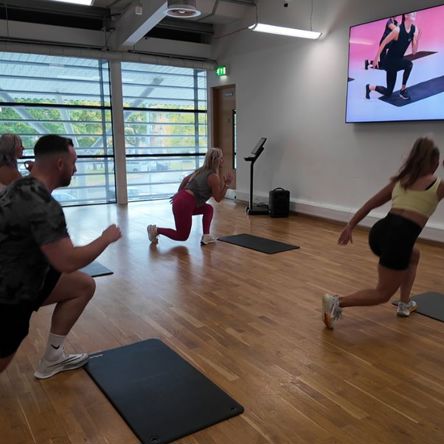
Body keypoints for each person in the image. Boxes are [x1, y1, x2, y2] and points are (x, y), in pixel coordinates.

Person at [0, 135, 122, 378]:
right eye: (73, 162)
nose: (75, 169)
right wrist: (106, 237)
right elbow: (68, 261)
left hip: (28, 278)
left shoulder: (21, 186)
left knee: (83, 285)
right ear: (59, 164)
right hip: (10, 296)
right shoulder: (43, 204)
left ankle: (53, 358)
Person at [322, 136, 444, 329]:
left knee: (414, 254)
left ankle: (404, 304)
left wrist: (350, 225)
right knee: (382, 294)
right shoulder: (438, 185)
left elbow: (371, 203)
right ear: (436, 163)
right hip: (398, 238)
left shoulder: (400, 181)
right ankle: (337, 301)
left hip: (379, 232)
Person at [147, 147, 233, 245]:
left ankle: (206, 236)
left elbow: (185, 180)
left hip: (184, 200)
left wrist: (179, 196)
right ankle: (155, 230)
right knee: (182, 236)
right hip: (186, 203)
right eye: (221, 158)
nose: (223, 160)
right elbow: (218, 198)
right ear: (216, 160)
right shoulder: (213, 177)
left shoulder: (200, 171)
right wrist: (226, 184)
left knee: (208, 209)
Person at [366, 13, 420, 101]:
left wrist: (416, 40)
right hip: (389, 62)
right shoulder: (397, 30)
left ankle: (370, 87)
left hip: (398, 60)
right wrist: (376, 58)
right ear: (406, 15)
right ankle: (402, 91)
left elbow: (414, 52)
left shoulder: (414, 29)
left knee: (388, 92)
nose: (414, 14)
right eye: (412, 13)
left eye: (415, 13)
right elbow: (384, 42)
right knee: (408, 65)